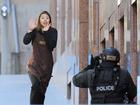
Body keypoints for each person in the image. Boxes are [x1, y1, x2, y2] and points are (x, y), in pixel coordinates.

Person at [23, 11, 57, 105]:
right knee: (35, 86)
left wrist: (46, 32)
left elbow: (51, 46)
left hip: (47, 68)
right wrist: (30, 30)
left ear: (50, 20)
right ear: (39, 20)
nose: (45, 20)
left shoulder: (53, 31)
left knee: (41, 93)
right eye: (42, 18)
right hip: (34, 66)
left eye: (47, 18)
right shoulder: (35, 31)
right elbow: (25, 41)